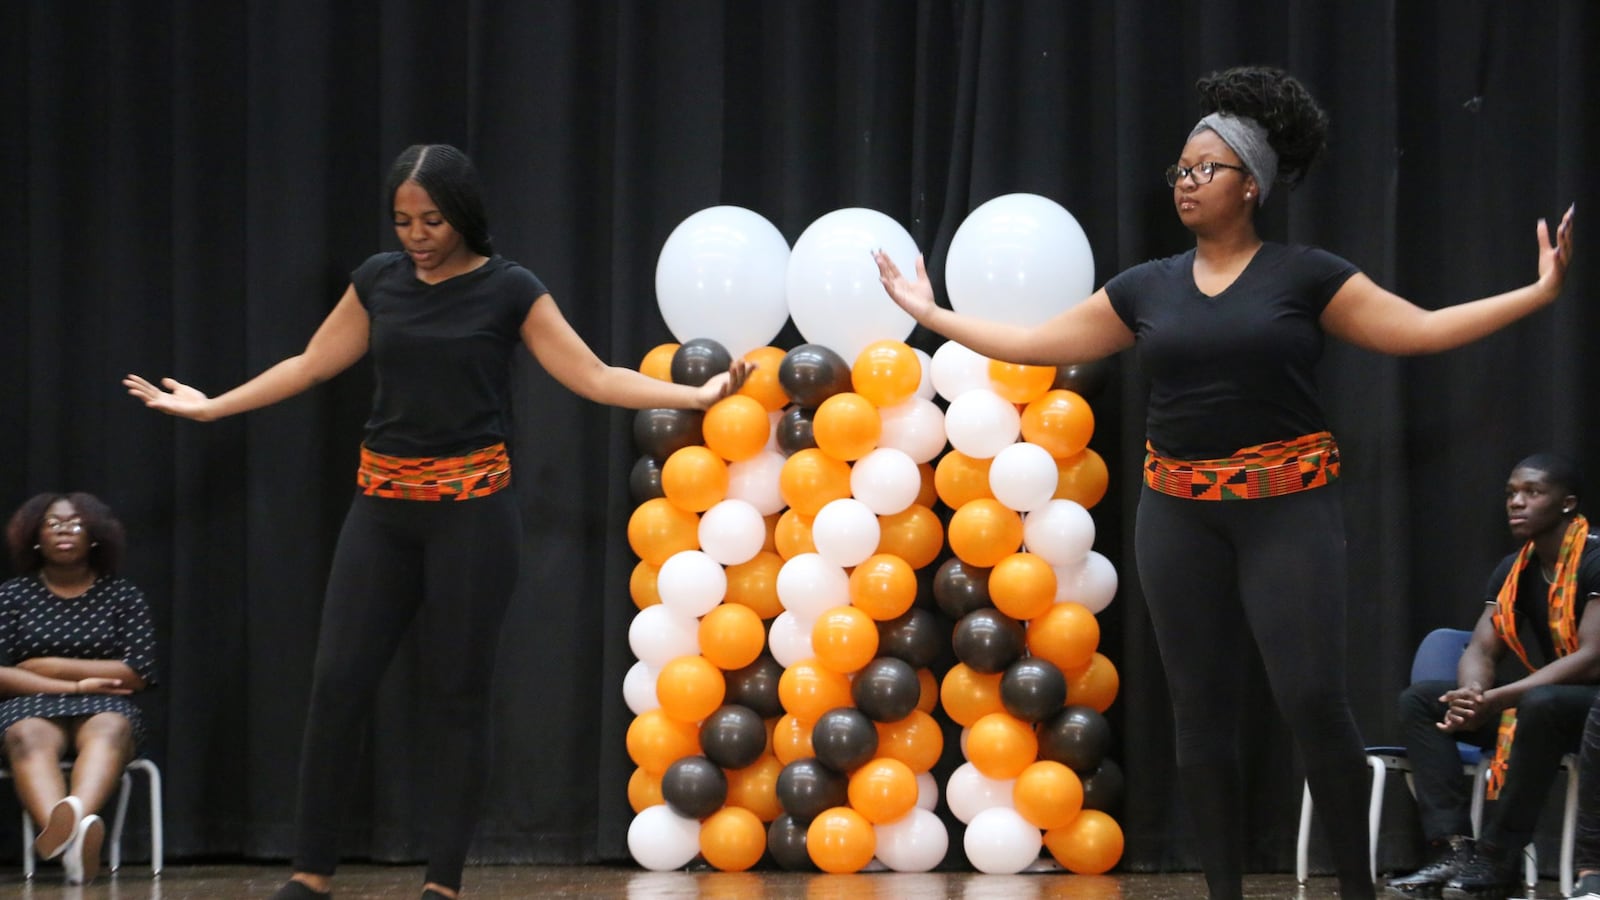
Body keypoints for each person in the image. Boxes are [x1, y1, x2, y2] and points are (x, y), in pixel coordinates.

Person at [873, 65, 1575, 900]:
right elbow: (1032, 341)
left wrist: (1539, 293)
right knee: (1199, 713)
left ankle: (1354, 887)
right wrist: (929, 310)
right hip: (1178, 515)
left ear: (1253, 185)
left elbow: (1417, 332)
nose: (1187, 182)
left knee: (1312, 699)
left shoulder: (1307, 275)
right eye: (1180, 169)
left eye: (1206, 168)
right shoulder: (1146, 287)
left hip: (1290, 510)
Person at [123, 144, 749, 900]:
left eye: (431, 220)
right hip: (381, 512)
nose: (416, 235)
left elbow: (591, 375)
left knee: (457, 698)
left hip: (474, 517)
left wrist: (696, 396)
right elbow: (313, 362)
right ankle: (310, 873)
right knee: (337, 687)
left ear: (463, 215)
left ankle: (442, 884)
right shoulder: (378, 281)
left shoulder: (510, 289)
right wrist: (214, 405)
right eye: (402, 221)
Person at [1385, 456, 1600, 899]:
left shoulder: (1596, 556)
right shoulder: (1515, 568)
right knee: (1424, 701)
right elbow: (1483, 646)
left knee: (1539, 703)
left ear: (1568, 503)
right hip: (1546, 703)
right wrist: (1471, 693)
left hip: (1591, 706)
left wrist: (1501, 698)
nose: (1516, 503)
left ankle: (1499, 855)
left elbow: (1593, 657)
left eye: (1532, 492)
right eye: (1511, 493)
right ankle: (1454, 850)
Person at [1, 492, 159, 885]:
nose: (64, 530)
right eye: (53, 523)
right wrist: (75, 686)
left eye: (75, 523)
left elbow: (138, 672)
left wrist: (52, 666)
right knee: (24, 734)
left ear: (94, 537)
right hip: (29, 706)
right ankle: (77, 845)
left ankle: (67, 839)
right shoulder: (11, 597)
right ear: (36, 538)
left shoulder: (123, 595)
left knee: (111, 727)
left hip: (107, 707)